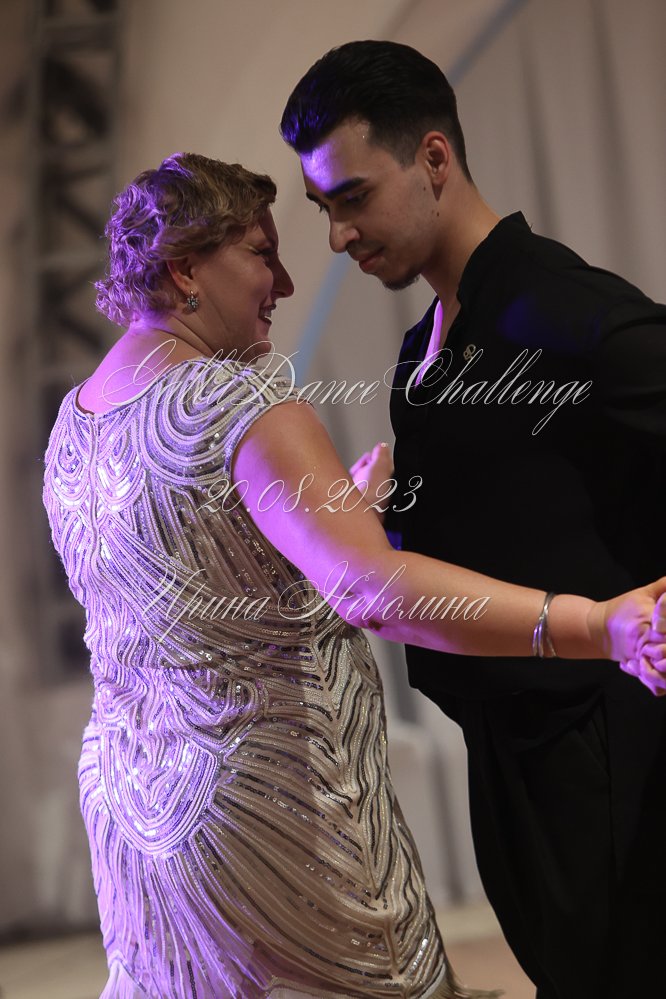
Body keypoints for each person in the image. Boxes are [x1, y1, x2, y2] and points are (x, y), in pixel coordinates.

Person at [41, 153, 665, 999]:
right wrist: (597, 624)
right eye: (262, 253)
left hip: (131, 813)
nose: (285, 282)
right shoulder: (239, 401)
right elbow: (368, 587)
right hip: (271, 805)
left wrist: (344, 509)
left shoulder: (75, 421)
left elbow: (199, 590)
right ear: (185, 267)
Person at [279, 40, 666, 999]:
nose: (337, 235)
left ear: (435, 159)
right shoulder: (426, 347)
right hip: (511, 749)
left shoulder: (558, 309)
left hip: (607, 751)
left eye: (353, 196)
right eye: (323, 207)